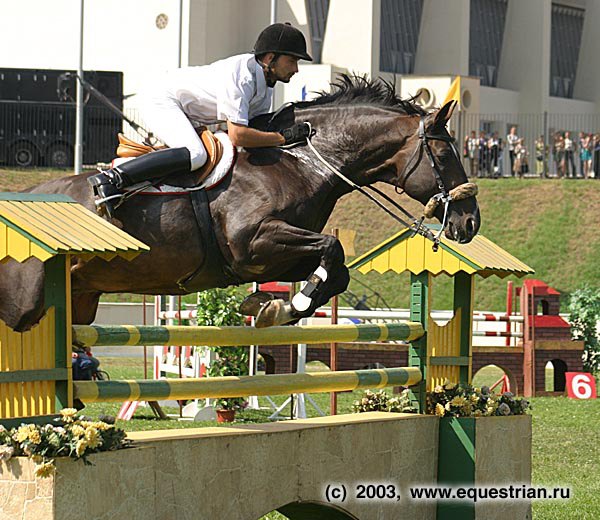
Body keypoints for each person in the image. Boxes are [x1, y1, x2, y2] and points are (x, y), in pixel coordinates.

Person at [89, 22, 313, 217]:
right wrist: (282, 138)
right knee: (196, 154)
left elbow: (257, 129)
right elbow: (239, 136)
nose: (295, 69)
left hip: (186, 111)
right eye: (292, 60)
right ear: (270, 57)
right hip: (162, 98)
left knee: (207, 156)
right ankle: (112, 179)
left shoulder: (266, 84)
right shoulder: (241, 75)